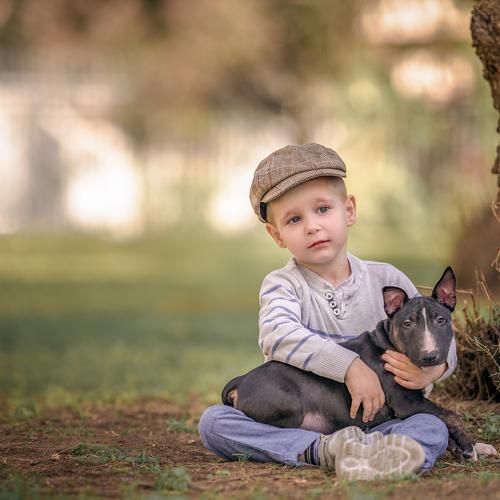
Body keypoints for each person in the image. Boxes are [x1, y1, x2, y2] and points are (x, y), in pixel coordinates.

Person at [198, 143, 456, 479]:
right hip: (304, 417)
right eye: (294, 219)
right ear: (277, 235)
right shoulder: (283, 285)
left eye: (322, 209)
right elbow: (279, 335)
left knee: (431, 426)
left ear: (348, 211)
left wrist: (433, 372)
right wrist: (350, 366)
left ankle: (381, 452)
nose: (312, 226)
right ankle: (325, 450)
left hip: (384, 418)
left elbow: (438, 330)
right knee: (215, 423)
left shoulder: (387, 280)